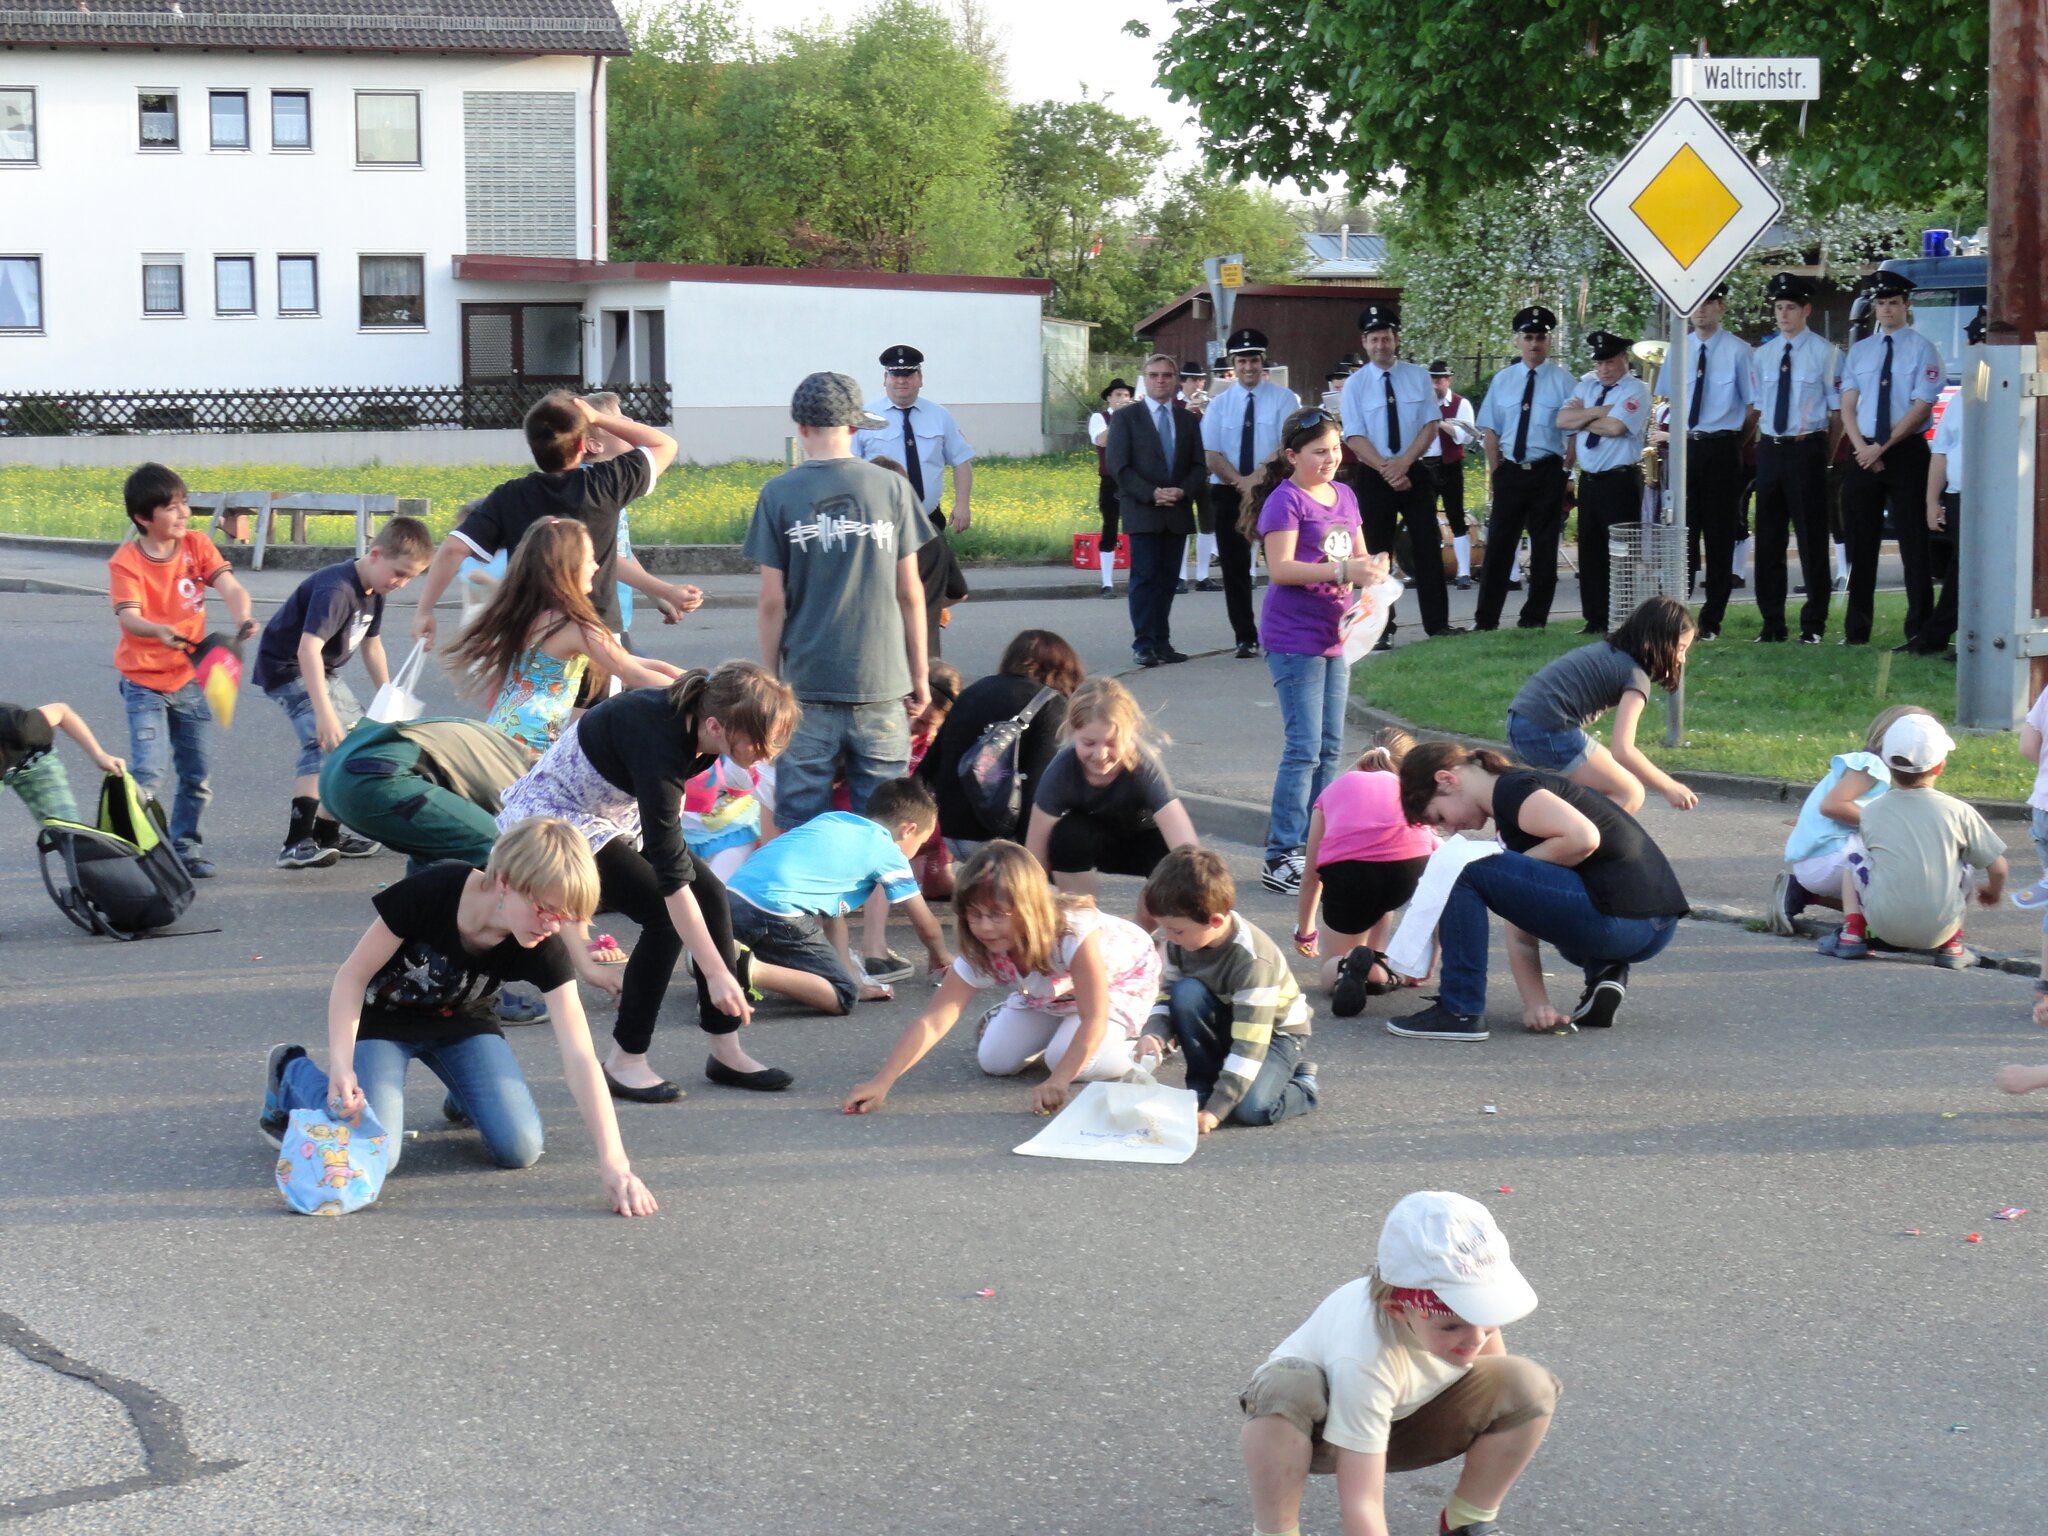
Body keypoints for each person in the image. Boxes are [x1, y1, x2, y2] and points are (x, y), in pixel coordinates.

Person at [256, 816, 658, 1217]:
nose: (552, 926)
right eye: (545, 909)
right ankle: (292, 1072)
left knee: (520, 1148)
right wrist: (342, 1067)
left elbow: (580, 1058)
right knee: (380, 1152)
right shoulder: (435, 890)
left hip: (464, 1024)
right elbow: (352, 977)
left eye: (565, 917)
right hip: (384, 1020)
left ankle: (466, 1089)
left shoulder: (544, 945)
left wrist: (616, 1165)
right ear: (505, 881)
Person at [496, 662, 800, 1100]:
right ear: (715, 725)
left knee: (710, 892)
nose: (766, 754)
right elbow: (671, 879)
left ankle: (726, 1049)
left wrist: (719, 972)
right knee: (664, 917)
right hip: (557, 819)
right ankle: (625, 1059)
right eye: (759, 744)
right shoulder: (658, 740)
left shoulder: (707, 721)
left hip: (612, 812)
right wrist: (716, 973)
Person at [1238, 1190, 1557, 1536]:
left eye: (1487, 1317)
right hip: (1318, 1433)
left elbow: (1498, 1393)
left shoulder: (1460, 1325)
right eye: (1452, 1326)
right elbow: (1362, 1502)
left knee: (1528, 1385)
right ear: (1396, 1309)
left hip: (1402, 1420)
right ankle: (1276, 1531)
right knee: (1287, 1385)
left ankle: (1468, 1519)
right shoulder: (1366, 1357)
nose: (1476, 1339)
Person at [1390, 740, 1690, 1039]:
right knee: (1485, 867)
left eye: (1440, 817)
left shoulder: (1513, 791)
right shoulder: (1514, 805)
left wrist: (1512, 871)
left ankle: (1459, 1009)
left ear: (1447, 779)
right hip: (1654, 928)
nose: (1452, 829)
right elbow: (1521, 923)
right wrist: (1537, 1004)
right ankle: (1603, 971)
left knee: (1461, 865)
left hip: (1621, 923)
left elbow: (1583, 837)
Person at [841, 840, 1162, 1115]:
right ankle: (1041, 1016)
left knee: (1061, 1059)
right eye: (975, 914)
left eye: (996, 915)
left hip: (1117, 983)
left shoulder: (1074, 933)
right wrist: (883, 1081)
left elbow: (1094, 1017)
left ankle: (1145, 1046)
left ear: (1030, 909)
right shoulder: (982, 945)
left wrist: (1058, 1080)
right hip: (1053, 992)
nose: (984, 927)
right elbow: (935, 1019)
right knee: (995, 1061)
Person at [748, 372, 930, 828]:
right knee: (884, 825)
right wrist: (920, 674)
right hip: (883, 683)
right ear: (853, 428)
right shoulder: (892, 489)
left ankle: (811, 901)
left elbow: (772, 602)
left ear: (801, 428)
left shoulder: (778, 493)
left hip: (806, 685)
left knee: (801, 823)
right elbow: (911, 592)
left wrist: (771, 681)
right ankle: (876, 903)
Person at [409, 392, 681, 653]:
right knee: (612, 697)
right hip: (597, 632)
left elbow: (452, 549)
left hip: (533, 633)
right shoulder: (604, 484)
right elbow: (664, 444)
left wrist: (424, 611)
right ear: (584, 444)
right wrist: (596, 417)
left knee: (545, 700)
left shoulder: (510, 495)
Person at [1244, 405, 1383, 896]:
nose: (1330, 458)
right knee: (1303, 749)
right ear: (1292, 456)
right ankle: (1281, 853)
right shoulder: (1285, 502)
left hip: (1335, 635)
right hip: (1294, 638)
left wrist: (1376, 572)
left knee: (1328, 747)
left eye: (1336, 449)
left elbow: (1360, 554)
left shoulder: (1344, 493)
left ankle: (1319, 843)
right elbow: (1280, 569)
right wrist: (1344, 573)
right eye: (1319, 451)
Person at [253, 517, 434, 869]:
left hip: (321, 669)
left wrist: (388, 696)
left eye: (411, 577)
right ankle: (296, 841)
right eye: (399, 573)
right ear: (376, 554)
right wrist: (324, 713)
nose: (402, 583)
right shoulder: (336, 589)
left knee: (354, 740)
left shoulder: (375, 591)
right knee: (323, 743)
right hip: (287, 667)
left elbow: (373, 646)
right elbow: (307, 650)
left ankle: (325, 832)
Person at [108, 461, 258, 879]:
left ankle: (186, 847)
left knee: (198, 774)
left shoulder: (195, 545)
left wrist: (243, 617)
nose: (184, 514)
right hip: (144, 683)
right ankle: (127, 847)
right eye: (172, 508)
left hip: (193, 677)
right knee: (149, 771)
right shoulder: (126, 563)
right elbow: (130, 617)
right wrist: (158, 630)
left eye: (185, 504)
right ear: (143, 517)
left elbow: (229, 586)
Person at [442, 518, 682, 759]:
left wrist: (693, 679)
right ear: (568, 566)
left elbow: (633, 663)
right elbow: (633, 674)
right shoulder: (575, 625)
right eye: (589, 559)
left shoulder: (530, 613)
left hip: (503, 731)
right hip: (535, 741)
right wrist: (700, 695)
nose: (596, 567)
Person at [724, 776, 952, 1017]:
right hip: (776, 912)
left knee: (828, 979)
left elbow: (834, 919)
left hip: (731, 900)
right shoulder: (889, 851)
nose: (916, 851)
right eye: (921, 843)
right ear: (909, 830)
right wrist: (941, 955)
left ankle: (719, 960)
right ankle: (748, 967)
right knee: (842, 995)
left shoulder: (833, 820)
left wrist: (852, 977)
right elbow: (924, 923)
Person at [1133, 846, 1318, 1131]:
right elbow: (1168, 995)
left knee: (1251, 1110)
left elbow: (1250, 1043)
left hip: (1275, 1034)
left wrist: (1217, 1111)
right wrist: (1154, 1035)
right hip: (1231, 1020)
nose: (1169, 938)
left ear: (1215, 921)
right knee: (1185, 993)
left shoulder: (1253, 961)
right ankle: (1203, 1086)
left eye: (1177, 930)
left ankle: (1303, 1084)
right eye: (1165, 929)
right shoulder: (1181, 941)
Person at [1819, 713, 2006, 967]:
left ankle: (1852, 932)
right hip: (1939, 928)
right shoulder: (1959, 811)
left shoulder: (1873, 810)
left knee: (1854, 857)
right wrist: (1993, 892)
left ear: (1886, 762)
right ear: (1941, 765)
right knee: (1966, 861)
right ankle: (1952, 944)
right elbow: (1999, 868)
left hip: (1883, 924)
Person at [1505, 595, 1699, 815]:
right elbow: (1623, 750)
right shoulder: (1635, 677)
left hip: (1520, 721)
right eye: (1680, 648)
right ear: (1659, 640)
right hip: (1546, 730)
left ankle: (1553, 833)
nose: (1681, 658)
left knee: (1581, 796)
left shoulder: (1609, 652)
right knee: (1629, 793)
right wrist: (1669, 786)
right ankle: (1577, 841)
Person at [1296, 729, 1439, 1017]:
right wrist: (1428, 962)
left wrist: (1305, 931)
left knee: (1332, 963)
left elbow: (1312, 875)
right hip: (1406, 870)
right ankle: (1380, 970)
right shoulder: (1411, 792)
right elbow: (1440, 877)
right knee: (1381, 901)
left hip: (1350, 874)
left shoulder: (1333, 790)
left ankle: (1344, 967)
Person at [1340, 302, 1460, 639]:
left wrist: (1404, 463)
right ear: (1365, 343)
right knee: (1377, 556)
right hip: (1374, 475)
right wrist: (1386, 468)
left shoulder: (1418, 376)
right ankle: (1379, 629)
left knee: (1427, 548)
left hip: (1414, 471)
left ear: (1396, 340)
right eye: (1374, 339)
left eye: (1386, 338)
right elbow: (1354, 435)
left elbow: (1430, 424)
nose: (1381, 345)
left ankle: (1437, 626)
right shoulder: (1355, 385)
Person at [1839, 271, 1944, 649]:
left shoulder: (1922, 349)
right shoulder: (1861, 350)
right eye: (1880, 303)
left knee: (1914, 544)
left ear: (1906, 306)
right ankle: (1856, 630)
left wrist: (1881, 447)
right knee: (1860, 542)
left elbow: (1922, 406)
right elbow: (1848, 404)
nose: (1886, 309)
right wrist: (1862, 448)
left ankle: (1919, 628)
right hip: (1863, 451)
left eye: (1893, 302)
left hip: (1905, 452)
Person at [1024, 676, 1199, 898]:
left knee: (1175, 860)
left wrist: (1196, 887)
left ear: (1130, 736)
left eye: (1111, 743)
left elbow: (1185, 844)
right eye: (1089, 743)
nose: (1100, 755)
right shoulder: (1061, 771)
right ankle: (1083, 919)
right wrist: (1034, 903)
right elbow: (1034, 858)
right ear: (1073, 733)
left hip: (1144, 843)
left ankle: (1141, 927)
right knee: (1066, 835)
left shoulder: (1143, 766)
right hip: (1095, 844)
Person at [1767, 704, 1933, 934]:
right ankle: (1880, 923)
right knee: (1900, 865)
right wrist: (1888, 824)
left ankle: (1800, 893)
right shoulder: (1871, 766)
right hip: (1828, 856)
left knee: (1882, 910)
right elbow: (1832, 805)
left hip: (1818, 860)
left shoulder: (1874, 769)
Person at [918, 628, 1082, 858]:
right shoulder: (1050, 704)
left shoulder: (973, 691)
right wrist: (1035, 859)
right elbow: (1038, 788)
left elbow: (928, 768)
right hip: (1000, 841)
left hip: (952, 833)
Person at [1655, 283, 1755, 640]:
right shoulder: (1678, 350)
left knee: (1718, 534)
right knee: (1683, 533)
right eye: (1696, 303)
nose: (1701, 310)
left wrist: (1733, 441)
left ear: (1721, 307)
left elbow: (1752, 405)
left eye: (1709, 302)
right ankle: (1678, 619)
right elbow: (1668, 401)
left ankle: (1711, 621)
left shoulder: (1739, 351)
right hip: (1685, 448)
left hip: (1721, 447)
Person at [1749, 272, 1843, 645]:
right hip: (1771, 447)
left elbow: (1836, 415)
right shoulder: (1764, 355)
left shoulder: (1827, 354)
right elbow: (1759, 407)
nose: (1783, 315)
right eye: (1778, 308)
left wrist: (1825, 455)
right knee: (1768, 539)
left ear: (1806, 310)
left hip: (1807, 447)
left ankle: (1813, 624)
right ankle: (1772, 623)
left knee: (1810, 538)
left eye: (1790, 308)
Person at [318, 717, 532, 877]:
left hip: (337, 775)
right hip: (376, 779)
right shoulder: (526, 780)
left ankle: (412, 930)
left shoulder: (502, 747)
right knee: (504, 851)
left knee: (434, 859)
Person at [1472, 307, 1578, 630]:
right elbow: (1490, 429)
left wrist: (1566, 470)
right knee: (1499, 548)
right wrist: (1496, 470)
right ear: (1518, 341)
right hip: (1511, 472)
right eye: (1528, 337)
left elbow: (1573, 431)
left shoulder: (1564, 382)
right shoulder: (1503, 381)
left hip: (1548, 472)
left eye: (1541, 337)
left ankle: (1533, 619)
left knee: (1544, 549)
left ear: (1549, 341)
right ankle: (1486, 620)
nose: (1535, 344)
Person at [1200, 327, 1301, 658]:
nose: (1248, 367)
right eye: (1242, 361)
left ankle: (1283, 631)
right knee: (1234, 567)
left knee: (1283, 564)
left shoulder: (1285, 399)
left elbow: (1286, 445)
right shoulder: (1218, 405)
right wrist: (1239, 482)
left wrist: (1256, 479)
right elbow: (1212, 453)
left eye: (1254, 360)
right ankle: (1245, 635)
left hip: (1274, 491)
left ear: (1262, 362)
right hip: (1229, 493)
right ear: (1233, 363)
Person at [1105, 354, 1207, 667]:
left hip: (1177, 511)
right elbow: (1118, 466)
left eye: (1166, 375)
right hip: (1143, 511)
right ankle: (1143, 643)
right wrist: (1150, 493)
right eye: (1154, 375)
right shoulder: (1126, 418)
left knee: (1168, 581)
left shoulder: (1188, 420)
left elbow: (1198, 466)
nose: (1160, 380)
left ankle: (1162, 642)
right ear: (1145, 379)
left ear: (1176, 380)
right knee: (1144, 579)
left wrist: (1183, 490)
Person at [858, 662, 960, 977]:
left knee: (941, 887)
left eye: (935, 724)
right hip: (891, 822)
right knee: (889, 870)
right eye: (921, 721)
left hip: (920, 826)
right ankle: (873, 947)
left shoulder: (936, 743)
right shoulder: (889, 733)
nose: (925, 730)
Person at [1560, 330, 1653, 634]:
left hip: (1620, 480)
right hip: (1590, 481)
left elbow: (1615, 428)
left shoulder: (1636, 390)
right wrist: (1599, 411)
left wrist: (1584, 417)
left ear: (1624, 359)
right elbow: (1562, 420)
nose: (1603, 369)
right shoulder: (1587, 384)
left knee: (1622, 553)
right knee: (1590, 551)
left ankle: (1622, 617)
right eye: (1599, 363)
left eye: (1610, 362)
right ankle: (1595, 618)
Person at [853, 343, 976, 534]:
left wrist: (962, 505)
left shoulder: (939, 416)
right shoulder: (864, 418)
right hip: (880, 520)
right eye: (895, 375)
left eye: (908, 375)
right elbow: (849, 467)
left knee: (931, 565)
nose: (901, 381)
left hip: (929, 519)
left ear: (920, 379)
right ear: (885, 379)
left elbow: (961, 461)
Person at [1915, 313, 1980, 655]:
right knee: (1959, 569)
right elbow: (1941, 452)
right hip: (1957, 496)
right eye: (1974, 342)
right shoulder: (1960, 398)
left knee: (1967, 570)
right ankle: (1942, 635)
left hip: (1989, 499)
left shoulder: (2007, 394)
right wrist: (1931, 501)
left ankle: (1937, 636)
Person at [1, 698, 124, 827]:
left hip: (35, 762)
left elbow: (61, 711)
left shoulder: (19, 727)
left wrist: (100, 755)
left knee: (68, 827)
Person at [1423, 360, 1478, 590]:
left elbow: (1465, 436)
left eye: (1440, 379)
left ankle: (1463, 572)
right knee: (1425, 519)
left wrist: (1441, 423)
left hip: (1449, 464)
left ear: (1449, 380)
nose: (1436, 384)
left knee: (1455, 516)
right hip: (1426, 464)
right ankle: (1429, 569)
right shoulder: (1422, 403)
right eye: (1433, 379)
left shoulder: (1460, 404)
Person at [1087, 379, 1133, 596]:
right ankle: (1107, 583)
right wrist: (1119, 417)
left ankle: (1137, 579)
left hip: (1133, 479)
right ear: (1109, 398)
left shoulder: (1135, 417)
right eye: (1118, 395)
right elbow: (1102, 440)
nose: (1123, 399)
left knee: (1136, 528)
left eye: (1126, 395)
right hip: (1111, 480)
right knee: (1110, 527)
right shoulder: (1100, 418)